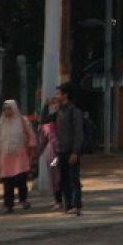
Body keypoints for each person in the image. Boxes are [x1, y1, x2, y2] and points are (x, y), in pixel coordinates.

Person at [0, 99, 36, 213]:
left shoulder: (22, 121)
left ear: (14, 109)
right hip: (5, 158)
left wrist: (32, 149)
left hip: (20, 156)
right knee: (7, 183)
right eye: (4, 109)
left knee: (21, 180)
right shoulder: (0, 124)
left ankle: (23, 199)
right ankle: (8, 205)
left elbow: (31, 135)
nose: (7, 111)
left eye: (9, 108)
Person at [53, 83, 85, 215]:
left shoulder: (74, 111)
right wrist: (46, 106)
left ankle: (77, 205)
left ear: (65, 95)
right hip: (60, 150)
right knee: (63, 179)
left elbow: (79, 133)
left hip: (71, 150)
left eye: (59, 94)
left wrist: (76, 151)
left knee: (74, 178)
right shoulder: (58, 111)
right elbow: (44, 121)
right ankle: (68, 205)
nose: (56, 96)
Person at [37, 97, 62, 209]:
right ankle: (58, 200)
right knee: (55, 176)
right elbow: (43, 141)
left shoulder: (64, 119)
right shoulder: (48, 125)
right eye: (52, 104)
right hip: (54, 156)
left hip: (64, 152)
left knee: (64, 175)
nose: (54, 106)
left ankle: (66, 200)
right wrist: (37, 153)